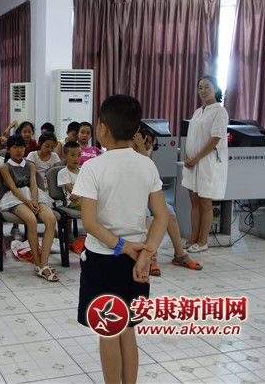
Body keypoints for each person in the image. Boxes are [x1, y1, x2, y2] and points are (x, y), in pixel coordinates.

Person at [73, 94, 169, 384]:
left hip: (104, 260)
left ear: (102, 128)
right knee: (128, 329)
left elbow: (90, 222)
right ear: (136, 130)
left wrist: (122, 246)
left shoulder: (93, 167)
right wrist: (146, 253)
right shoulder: (147, 165)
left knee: (108, 332)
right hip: (136, 263)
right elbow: (161, 216)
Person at [133, 131, 203, 274]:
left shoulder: (146, 152)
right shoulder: (130, 151)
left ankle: (179, 255)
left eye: (150, 143)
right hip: (134, 197)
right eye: (146, 142)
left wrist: (143, 148)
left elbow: (150, 171)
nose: (148, 145)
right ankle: (149, 256)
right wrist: (139, 147)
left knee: (169, 213)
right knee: (145, 216)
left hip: (149, 195)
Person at [0, 135, 59, 282]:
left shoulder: (30, 165)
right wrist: (27, 202)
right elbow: (13, 187)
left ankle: (44, 263)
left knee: (51, 220)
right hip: (15, 198)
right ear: (9, 149)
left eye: (21, 147)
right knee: (31, 220)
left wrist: (34, 201)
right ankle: (38, 264)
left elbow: (33, 184)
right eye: (15, 147)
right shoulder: (4, 167)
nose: (19, 150)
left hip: (34, 195)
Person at [181, 75, 229, 253]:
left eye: (207, 86)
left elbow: (215, 139)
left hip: (207, 163)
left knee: (205, 203)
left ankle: (203, 241)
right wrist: (187, 156)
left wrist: (196, 158)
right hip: (192, 163)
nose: (202, 90)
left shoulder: (219, 112)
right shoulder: (197, 111)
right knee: (194, 201)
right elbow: (191, 137)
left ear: (216, 89)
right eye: (200, 87)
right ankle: (193, 238)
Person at [57, 141, 81, 210]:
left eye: (79, 155)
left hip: (85, 198)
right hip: (73, 202)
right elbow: (73, 191)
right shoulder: (63, 172)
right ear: (65, 156)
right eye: (72, 155)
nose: (76, 158)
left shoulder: (83, 171)